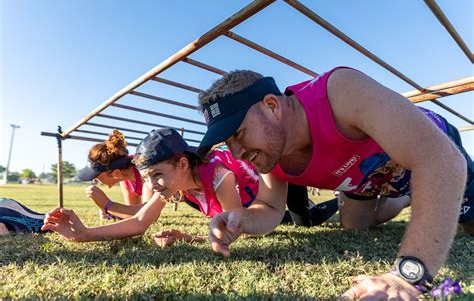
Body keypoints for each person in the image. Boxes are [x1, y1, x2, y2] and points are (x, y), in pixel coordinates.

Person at [196, 67, 472, 299]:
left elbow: (439, 160)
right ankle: (407, 196)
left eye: (240, 134)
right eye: (227, 143)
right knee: (354, 227)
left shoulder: (339, 91)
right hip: (366, 181)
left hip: (434, 149)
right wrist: (241, 219)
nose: (236, 154)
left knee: (469, 226)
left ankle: (421, 190)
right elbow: (269, 206)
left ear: (272, 106)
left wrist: (407, 277)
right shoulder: (272, 155)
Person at [42, 128, 338, 246]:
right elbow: (140, 221)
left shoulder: (218, 174)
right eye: (147, 178)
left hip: (277, 182)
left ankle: (341, 199)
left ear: (182, 164)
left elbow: (234, 230)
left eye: (156, 175)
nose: (152, 186)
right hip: (249, 203)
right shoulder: (172, 183)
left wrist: (188, 237)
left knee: (305, 221)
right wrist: (84, 234)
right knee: (277, 223)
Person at [77, 129, 154, 219]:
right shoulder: (125, 179)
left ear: (116, 173)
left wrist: (108, 205)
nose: (95, 182)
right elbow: (135, 215)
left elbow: (151, 214)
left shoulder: (146, 172)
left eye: (96, 178)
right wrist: (112, 214)